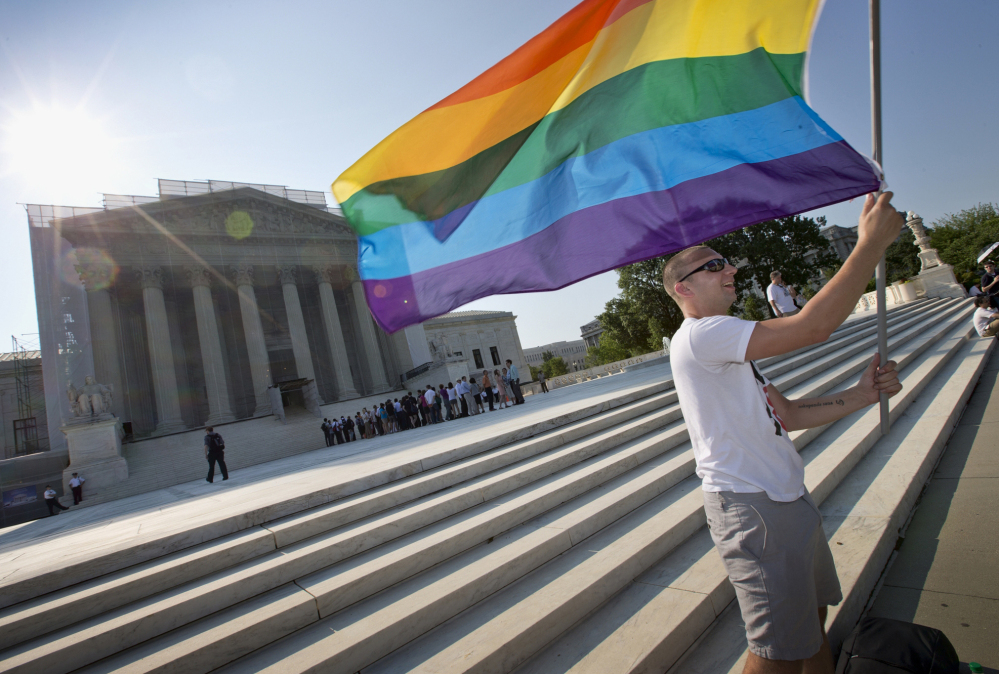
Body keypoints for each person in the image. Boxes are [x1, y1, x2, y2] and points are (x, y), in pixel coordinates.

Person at [661, 192, 903, 674]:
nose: (730, 270)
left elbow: (787, 415)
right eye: (713, 266)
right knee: (776, 651)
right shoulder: (705, 334)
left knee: (808, 627)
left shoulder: (728, 352)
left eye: (726, 262)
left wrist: (859, 395)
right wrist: (870, 246)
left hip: (785, 497)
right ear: (682, 289)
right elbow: (812, 328)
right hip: (753, 508)